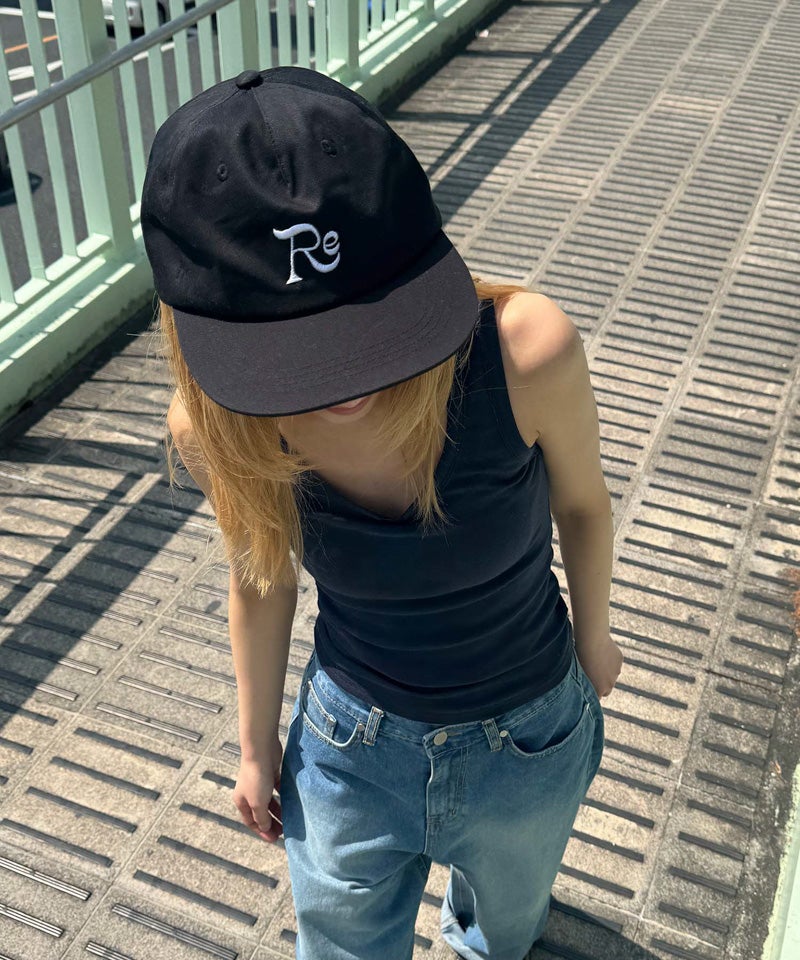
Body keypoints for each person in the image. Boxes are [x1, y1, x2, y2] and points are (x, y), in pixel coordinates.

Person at [141, 65, 622, 960]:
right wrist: (254, 746)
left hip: (533, 728)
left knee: (501, 935)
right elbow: (261, 574)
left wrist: (596, 637)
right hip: (348, 749)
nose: (345, 383)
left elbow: (585, 504)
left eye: (367, 321)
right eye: (292, 352)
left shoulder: (524, 352)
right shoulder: (215, 424)